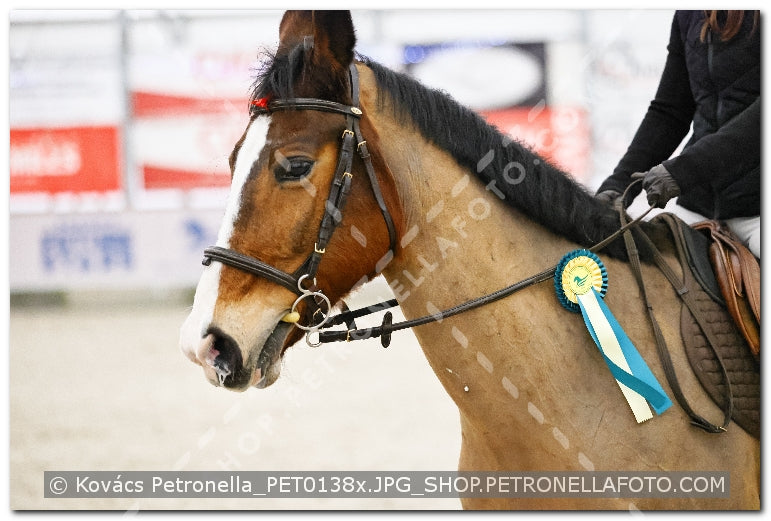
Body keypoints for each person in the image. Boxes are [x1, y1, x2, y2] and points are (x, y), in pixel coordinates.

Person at [595, 10, 760, 258]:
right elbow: (671, 110)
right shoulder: (689, 13)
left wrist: (684, 170)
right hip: (698, 206)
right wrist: (619, 184)